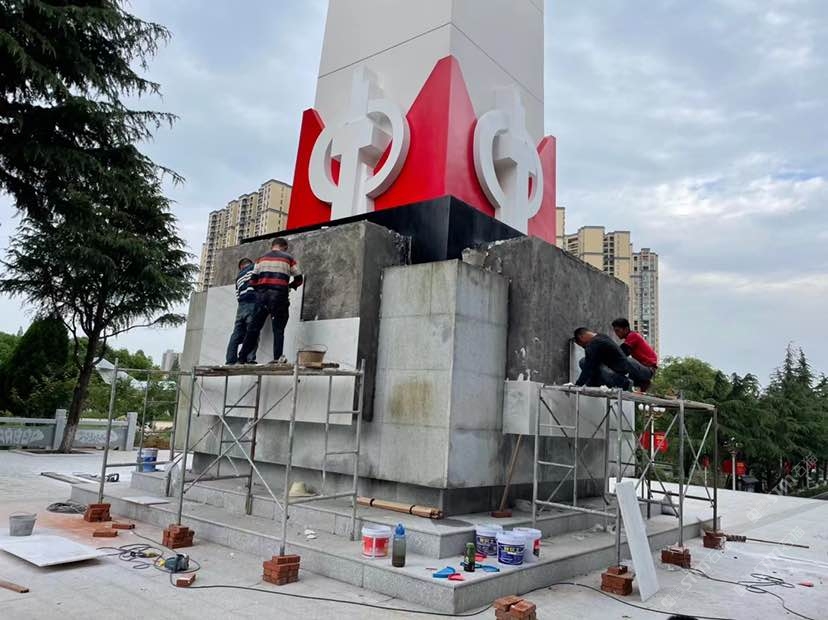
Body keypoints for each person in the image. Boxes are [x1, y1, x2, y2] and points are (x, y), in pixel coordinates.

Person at [238, 237, 303, 364]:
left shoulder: (260, 259)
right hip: (280, 298)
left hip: (262, 298)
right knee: (278, 330)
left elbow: (253, 281)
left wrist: (260, 291)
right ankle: (277, 358)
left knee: (253, 329)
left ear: (272, 246)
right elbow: (299, 279)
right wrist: (290, 286)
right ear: (284, 247)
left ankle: (241, 358)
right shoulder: (288, 258)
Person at [225, 258, 258, 365]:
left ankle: (230, 360)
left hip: (241, 306)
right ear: (249, 263)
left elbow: (238, 295)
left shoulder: (238, 278)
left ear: (241, 267)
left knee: (236, 334)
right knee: (252, 331)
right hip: (252, 303)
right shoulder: (254, 268)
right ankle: (249, 358)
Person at [611, 318, 658, 392]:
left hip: (647, 370)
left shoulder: (633, 336)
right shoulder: (631, 337)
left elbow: (622, 352)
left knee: (625, 361)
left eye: (618, 331)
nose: (616, 333)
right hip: (642, 369)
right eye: (615, 331)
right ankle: (640, 384)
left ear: (626, 329)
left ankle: (643, 383)